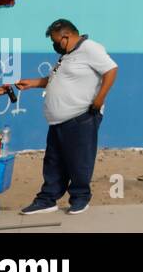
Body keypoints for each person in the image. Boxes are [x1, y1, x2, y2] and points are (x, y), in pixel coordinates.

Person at [15, 19, 118, 216]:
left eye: (56, 41)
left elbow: (111, 70)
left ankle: (80, 199)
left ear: (66, 36)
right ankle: (47, 199)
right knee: (53, 161)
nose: (55, 45)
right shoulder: (68, 56)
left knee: (79, 160)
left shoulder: (90, 48)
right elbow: (56, 80)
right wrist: (33, 83)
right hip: (58, 121)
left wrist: (100, 98)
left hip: (81, 117)